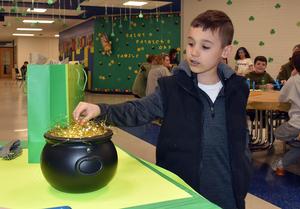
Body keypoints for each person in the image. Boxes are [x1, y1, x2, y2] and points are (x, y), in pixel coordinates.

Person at [73, 10, 252, 209]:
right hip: (182, 190)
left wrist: (243, 173)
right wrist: (101, 109)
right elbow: (138, 110)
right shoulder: (171, 88)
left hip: (228, 193)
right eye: (191, 43)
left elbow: (240, 137)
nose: (194, 52)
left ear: (226, 51)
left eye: (205, 46)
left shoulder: (238, 89)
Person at [272, 50, 300, 175]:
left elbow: (282, 98)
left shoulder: (293, 80)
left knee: (277, 133)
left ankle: (296, 142)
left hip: (296, 124)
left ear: (293, 65)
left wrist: (292, 77)